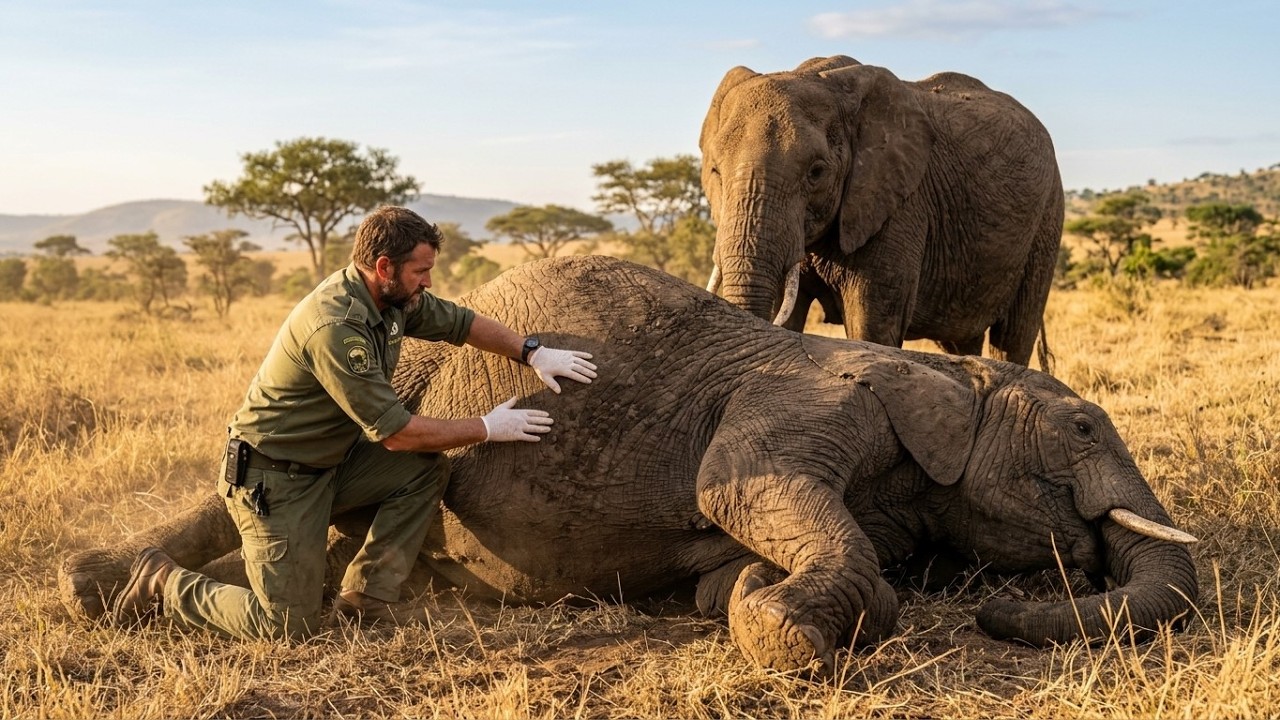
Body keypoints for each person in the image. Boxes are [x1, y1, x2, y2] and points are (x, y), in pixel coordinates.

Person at [109, 205, 598, 639]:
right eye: (421, 271)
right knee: (285, 624)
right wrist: (487, 427)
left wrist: (531, 352)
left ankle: (366, 596)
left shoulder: (390, 300)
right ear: (384, 267)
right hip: (273, 479)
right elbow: (397, 434)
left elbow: (461, 323)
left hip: (332, 464)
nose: (428, 282)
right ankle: (164, 583)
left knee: (424, 470)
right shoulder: (336, 326)